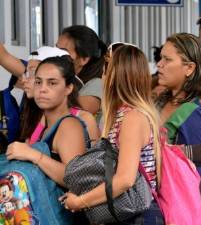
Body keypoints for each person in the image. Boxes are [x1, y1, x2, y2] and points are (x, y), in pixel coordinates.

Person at [63, 45, 164, 225]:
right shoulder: (123, 114)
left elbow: (125, 179)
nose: (102, 77)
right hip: (127, 213)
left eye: (104, 71)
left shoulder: (132, 118)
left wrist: (81, 201)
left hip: (137, 216)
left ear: (113, 75)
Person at [6, 56, 87, 187]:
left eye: (52, 83)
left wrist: (32, 154)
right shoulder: (46, 122)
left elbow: (76, 180)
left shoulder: (69, 125)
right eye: (38, 82)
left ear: (69, 88)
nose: (42, 89)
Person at [18, 46, 99, 146]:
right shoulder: (38, 115)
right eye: (27, 72)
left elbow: (93, 160)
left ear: (68, 87)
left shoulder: (84, 119)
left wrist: (36, 156)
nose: (24, 79)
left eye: (33, 72)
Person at [156, 32, 201, 124]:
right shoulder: (159, 100)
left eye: (167, 59)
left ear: (189, 68)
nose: (159, 64)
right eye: (161, 58)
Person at [56, 25, 107, 115]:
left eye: (63, 51)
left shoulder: (97, 84)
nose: (55, 55)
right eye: (55, 49)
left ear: (84, 59)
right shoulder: (68, 80)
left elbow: (72, 115)